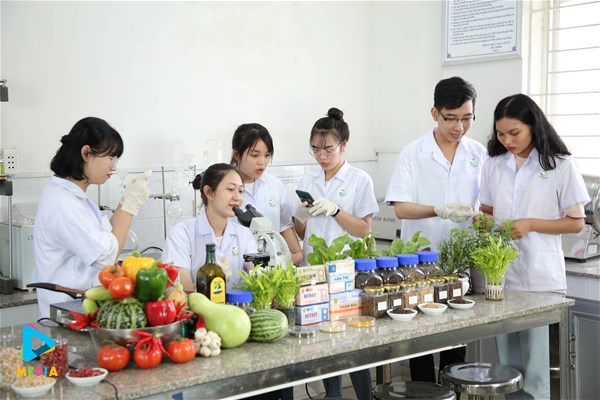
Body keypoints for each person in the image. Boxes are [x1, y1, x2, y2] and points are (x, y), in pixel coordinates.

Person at [480, 93, 590, 399]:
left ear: (533, 126)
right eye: (501, 134)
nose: (507, 141)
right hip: (501, 277)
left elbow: (576, 222)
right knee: (507, 366)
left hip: (539, 277)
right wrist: (482, 221)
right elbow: (487, 211)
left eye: (514, 132)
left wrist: (530, 224)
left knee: (535, 370)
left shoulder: (559, 164)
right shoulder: (494, 164)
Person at [384, 76, 487, 383]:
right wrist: (437, 209)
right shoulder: (413, 153)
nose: (459, 127)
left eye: (467, 118)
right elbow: (401, 208)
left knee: (456, 343)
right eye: (451, 118)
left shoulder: (478, 152)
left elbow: (486, 205)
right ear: (435, 113)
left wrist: (481, 219)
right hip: (420, 262)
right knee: (421, 341)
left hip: (460, 262)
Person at [294, 107, 378, 400]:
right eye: (315, 149)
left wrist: (335, 210)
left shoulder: (359, 179)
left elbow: (364, 229)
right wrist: (299, 215)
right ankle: (334, 396)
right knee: (325, 340)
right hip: (314, 270)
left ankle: (365, 396)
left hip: (346, 272)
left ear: (343, 145)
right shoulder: (308, 180)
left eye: (328, 149)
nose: (321, 156)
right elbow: (302, 232)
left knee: (352, 341)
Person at [34, 117, 151, 318]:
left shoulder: (74, 196)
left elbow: (109, 239)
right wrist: (130, 206)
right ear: (86, 153)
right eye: (111, 158)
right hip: (69, 312)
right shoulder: (64, 204)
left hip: (81, 308)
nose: (114, 167)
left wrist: (126, 201)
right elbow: (107, 255)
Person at [162, 163, 257, 293]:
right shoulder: (181, 234)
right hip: (196, 306)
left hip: (238, 305)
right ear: (209, 192)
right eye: (230, 189)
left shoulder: (244, 234)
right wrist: (214, 280)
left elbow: (256, 272)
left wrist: (259, 275)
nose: (237, 197)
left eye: (240, 191)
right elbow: (182, 289)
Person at [230, 123, 303, 266]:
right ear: (236, 154)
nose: (262, 162)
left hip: (274, 267)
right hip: (238, 269)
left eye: (267, 155)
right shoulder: (224, 189)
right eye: (254, 155)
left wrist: (297, 254)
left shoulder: (274, 185)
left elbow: (284, 225)